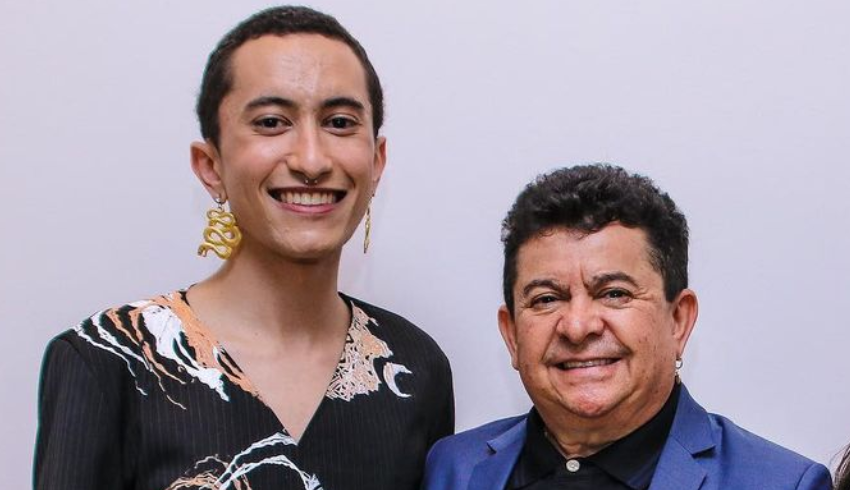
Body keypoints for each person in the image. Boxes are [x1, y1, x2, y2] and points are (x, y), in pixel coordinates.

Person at [33, 6, 453, 490]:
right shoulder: (110, 359)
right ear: (210, 166)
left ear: (376, 161)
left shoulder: (412, 367)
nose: (311, 160)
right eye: (272, 122)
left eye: (339, 122)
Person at [422, 164, 831, 489]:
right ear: (511, 334)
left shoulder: (782, 483)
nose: (577, 326)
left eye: (614, 293)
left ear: (679, 320)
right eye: (547, 299)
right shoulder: (453, 469)